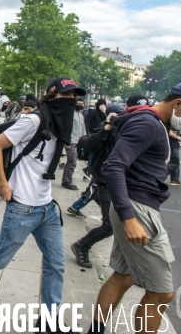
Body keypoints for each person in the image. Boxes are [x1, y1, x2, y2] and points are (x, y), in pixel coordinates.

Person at [0, 77, 85, 331]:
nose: (70, 100)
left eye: (74, 96)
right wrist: (4, 185)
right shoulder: (33, 120)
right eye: (65, 95)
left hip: (47, 207)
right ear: (50, 95)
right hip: (22, 208)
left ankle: (49, 319)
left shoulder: (60, 123)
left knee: (56, 264)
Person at [87, 80, 181, 334]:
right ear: (178, 103)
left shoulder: (152, 121)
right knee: (162, 294)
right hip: (138, 208)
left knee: (123, 275)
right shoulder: (148, 123)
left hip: (135, 204)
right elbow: (114, 166)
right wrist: (129, 217)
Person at [68, 103, 124, 268]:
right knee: (109, 226)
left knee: (116, 220)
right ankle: (82, 245)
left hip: (118, 181)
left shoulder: (128, 130)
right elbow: (88, 144)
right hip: (104, 179)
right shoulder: (104, 129)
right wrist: (107, 128)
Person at [61, 97, 86, 190]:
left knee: (72, 162)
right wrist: (66, 140)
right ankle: (67, 181)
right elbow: (65, 127)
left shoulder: (81, 115)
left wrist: (84, 140)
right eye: (78, 103)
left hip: (78, 141)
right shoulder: (70, 114)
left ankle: (66, 180)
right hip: (71, 141)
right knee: (72, 162)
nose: (79, 105)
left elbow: (83, 129)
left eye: (81, 104)